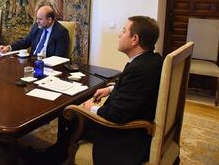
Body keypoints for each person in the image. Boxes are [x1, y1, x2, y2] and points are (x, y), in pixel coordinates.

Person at [34, 16, 163, 165]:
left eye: (123, 31)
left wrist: (91, 108)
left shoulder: (138, 70)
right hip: (134, 116)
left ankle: (54, 157)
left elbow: (116, 115)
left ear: (135, 39)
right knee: (73, 114)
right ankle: (57, 153)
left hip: (122, 134)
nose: (119, 35)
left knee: (69, 114)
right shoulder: (152, 60)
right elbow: (137, 89)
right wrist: (110, 89)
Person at [0, 5, 69, 57]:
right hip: (32, 62)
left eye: (40, 19)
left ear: (49, 20)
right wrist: (8, 47)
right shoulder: (37, 26)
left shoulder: (61, 32)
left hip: (48, 67)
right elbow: (25, 41)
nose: (37, 21)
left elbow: (59, 57)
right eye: (37, 18)